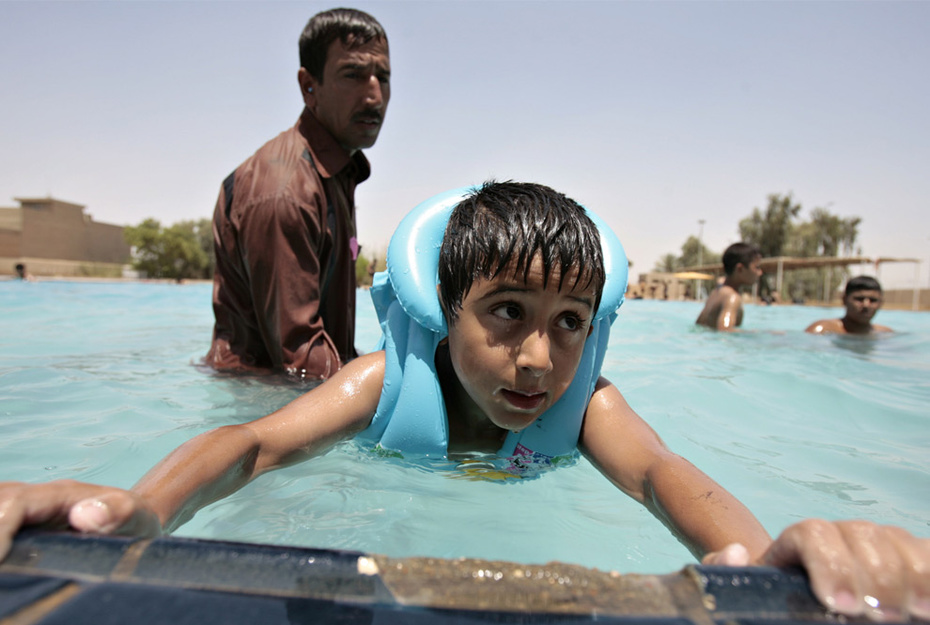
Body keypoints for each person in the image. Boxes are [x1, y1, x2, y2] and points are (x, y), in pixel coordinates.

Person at [1, 183, 926, 621]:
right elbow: (254, 447)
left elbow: (662, 478)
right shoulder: (382, 388)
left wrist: (762, 562)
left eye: (569, 323)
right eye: (507, 314)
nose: (536, 357)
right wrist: (143, 508)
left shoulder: (590, 406)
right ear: (445, 314)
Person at [205, 8, 391, 379]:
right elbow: (300, 360)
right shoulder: (285, 193)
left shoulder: (335, 173)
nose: (374, 95)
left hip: (293, 392)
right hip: (259, 398)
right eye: (353, 75)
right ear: (309, 86)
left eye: (382, 77)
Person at [695, 243, 762, 331]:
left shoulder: (716, 292)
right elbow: (725, 330)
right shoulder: (732, 298)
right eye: (756, 267)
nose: (760, 272)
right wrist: (757, 334)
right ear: (740, 269)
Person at [805, 276, 893, 335]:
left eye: (873, 300)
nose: (866, 305)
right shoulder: (822, 330)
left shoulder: (885, 333)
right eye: (859, 299)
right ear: (844, 300)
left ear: (881, 303)